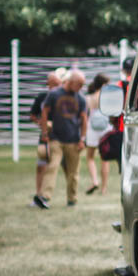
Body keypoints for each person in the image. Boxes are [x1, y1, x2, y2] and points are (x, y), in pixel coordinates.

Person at [41, 68, 89, 207]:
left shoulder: (80, 98)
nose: (80, 88)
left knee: (73, 173)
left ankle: (72, 199)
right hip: (56, 138)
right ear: (71, 81)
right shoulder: (54, 94)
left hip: (74, 140)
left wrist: (82, 139)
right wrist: (45, 133)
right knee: (52, 166)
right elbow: (44, 112)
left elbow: (84, 119)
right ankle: (45, 197)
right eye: (79, 84)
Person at [29, 68, 66, 209]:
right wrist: (41, 123)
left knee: (62, 167)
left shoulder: (64, 97)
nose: (56, 86)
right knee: (41, 166)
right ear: (48, 83)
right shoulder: (42, 97)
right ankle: (39, 195)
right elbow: (33, 115)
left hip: (61, 138)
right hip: (45, 137)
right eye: (53, 83)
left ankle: (70, 196)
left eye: (58, 83)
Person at [83, 73, 112, 196]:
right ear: (104, 84)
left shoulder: (89, 98)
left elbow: (85, 114)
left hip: (92, 128)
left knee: (90, 157)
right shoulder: (108, 97)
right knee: (104, 159)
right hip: (106, 127)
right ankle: (104, 188)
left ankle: (95, 180)